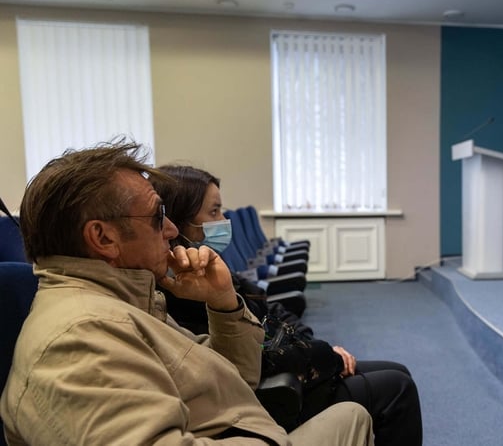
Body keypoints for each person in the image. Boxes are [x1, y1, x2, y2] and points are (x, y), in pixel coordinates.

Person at [0, 142, 374, 445]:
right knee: (360, 411)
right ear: (103, 238)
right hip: (244, 434)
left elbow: (237, 379)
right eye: (157, 216)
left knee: (353, 414)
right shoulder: (80, 339)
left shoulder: (128, 300)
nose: (171, 230)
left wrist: (223, 304)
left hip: (231, 426)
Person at [150, 165, 423, 446]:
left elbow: (269, 309)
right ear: (177, 223)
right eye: (214, 212)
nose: (224, 221)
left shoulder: (210, 267)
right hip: (271, 397)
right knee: (398, 388)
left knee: (398, 372)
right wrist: (327, 355)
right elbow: (248, 363)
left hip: (291, 369)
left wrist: (312, 345)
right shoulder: (180, 292)